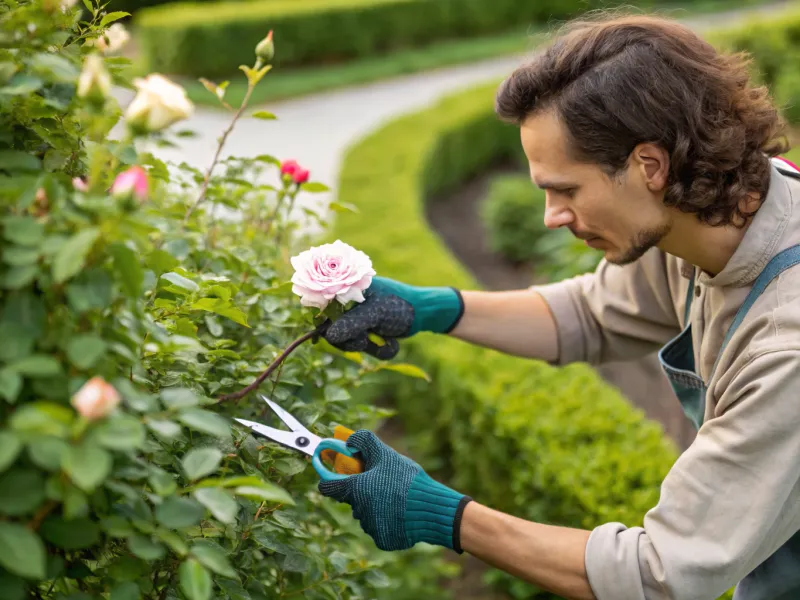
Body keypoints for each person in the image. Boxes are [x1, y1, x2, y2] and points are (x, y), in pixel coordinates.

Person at [316, 11, 800, 600]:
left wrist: (442, 514)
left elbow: (660, 573)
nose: (552, 217)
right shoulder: (710, 206)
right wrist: (431, 309)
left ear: (649, 164)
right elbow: (594, 314)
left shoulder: (787, 346)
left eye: (565, 190)